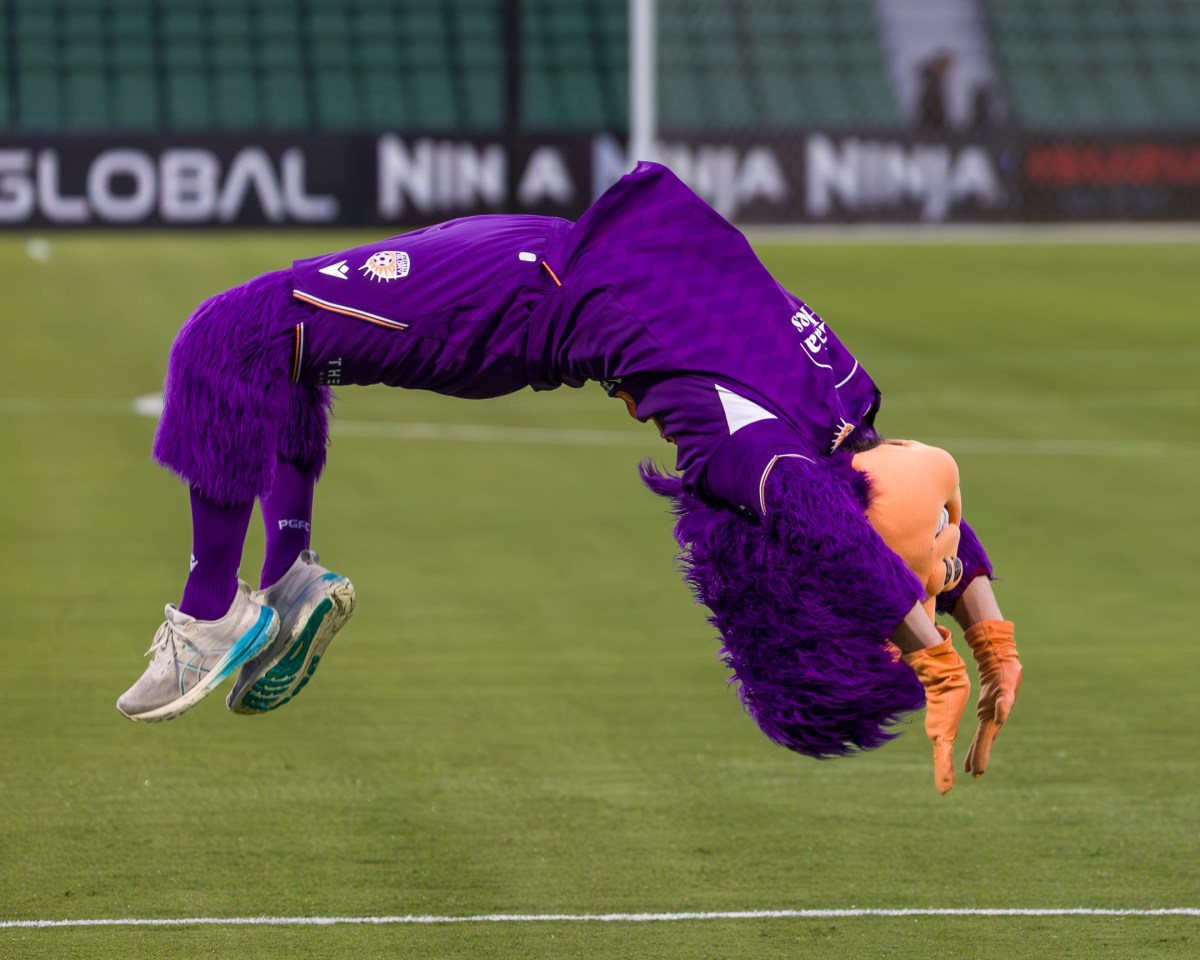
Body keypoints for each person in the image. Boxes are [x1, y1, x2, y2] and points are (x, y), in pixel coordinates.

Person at [118, 163, 1021, 794]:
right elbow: (923, 533)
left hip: (512, 302)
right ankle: (288, 580)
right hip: (548, 253)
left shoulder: (753, 451)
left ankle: (210, 613)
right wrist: (988, 635)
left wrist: (928, 656)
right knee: (290, 346)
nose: (952, 531)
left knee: (228, 336)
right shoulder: (840, 410)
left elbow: (832, 530)